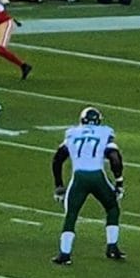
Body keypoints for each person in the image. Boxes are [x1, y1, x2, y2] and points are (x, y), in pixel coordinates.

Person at [51, 107, 126, 265]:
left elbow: (58, 159)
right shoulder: (104, 133)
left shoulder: (72, 133)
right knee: (112, 207)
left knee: (71, 214)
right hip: (97, 176)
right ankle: (112, 246)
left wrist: (59, 184)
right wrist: (119, 181)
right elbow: (115, 158)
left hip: (79, 178)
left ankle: (64, 253)